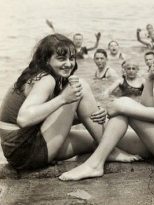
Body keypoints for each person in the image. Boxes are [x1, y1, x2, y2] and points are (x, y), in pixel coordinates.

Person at [59, 24, 154, 181]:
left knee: (123, 105)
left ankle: (95, 165)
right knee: (110, 133)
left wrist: (120, 104)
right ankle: (101, 155)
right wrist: (150, 78)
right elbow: (147, 108)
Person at [0, 34, 134, 170]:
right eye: (61, 59)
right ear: (46, 60)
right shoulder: (46, 79)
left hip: (18, 151)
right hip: (27, 149)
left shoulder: (38, 74)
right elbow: (24, 119)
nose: (69, 64)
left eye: (72, 58)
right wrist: (63, 98)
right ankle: (109, 152)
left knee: (97, 142)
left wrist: (91, 111)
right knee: (80, 85)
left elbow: (46, 116)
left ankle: (108, 148)